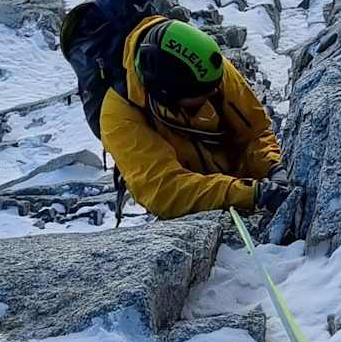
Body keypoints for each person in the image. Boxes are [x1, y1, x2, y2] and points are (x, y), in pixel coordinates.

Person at [98, 16, 291, 219]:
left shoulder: (207, 69)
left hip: (243, 188)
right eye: (200, 100)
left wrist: (273, 166)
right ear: (167, 96)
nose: (212, 98)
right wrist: (249, 193)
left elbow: (254, 131)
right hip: (189, 208)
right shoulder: (119, 115)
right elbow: (163, 191)